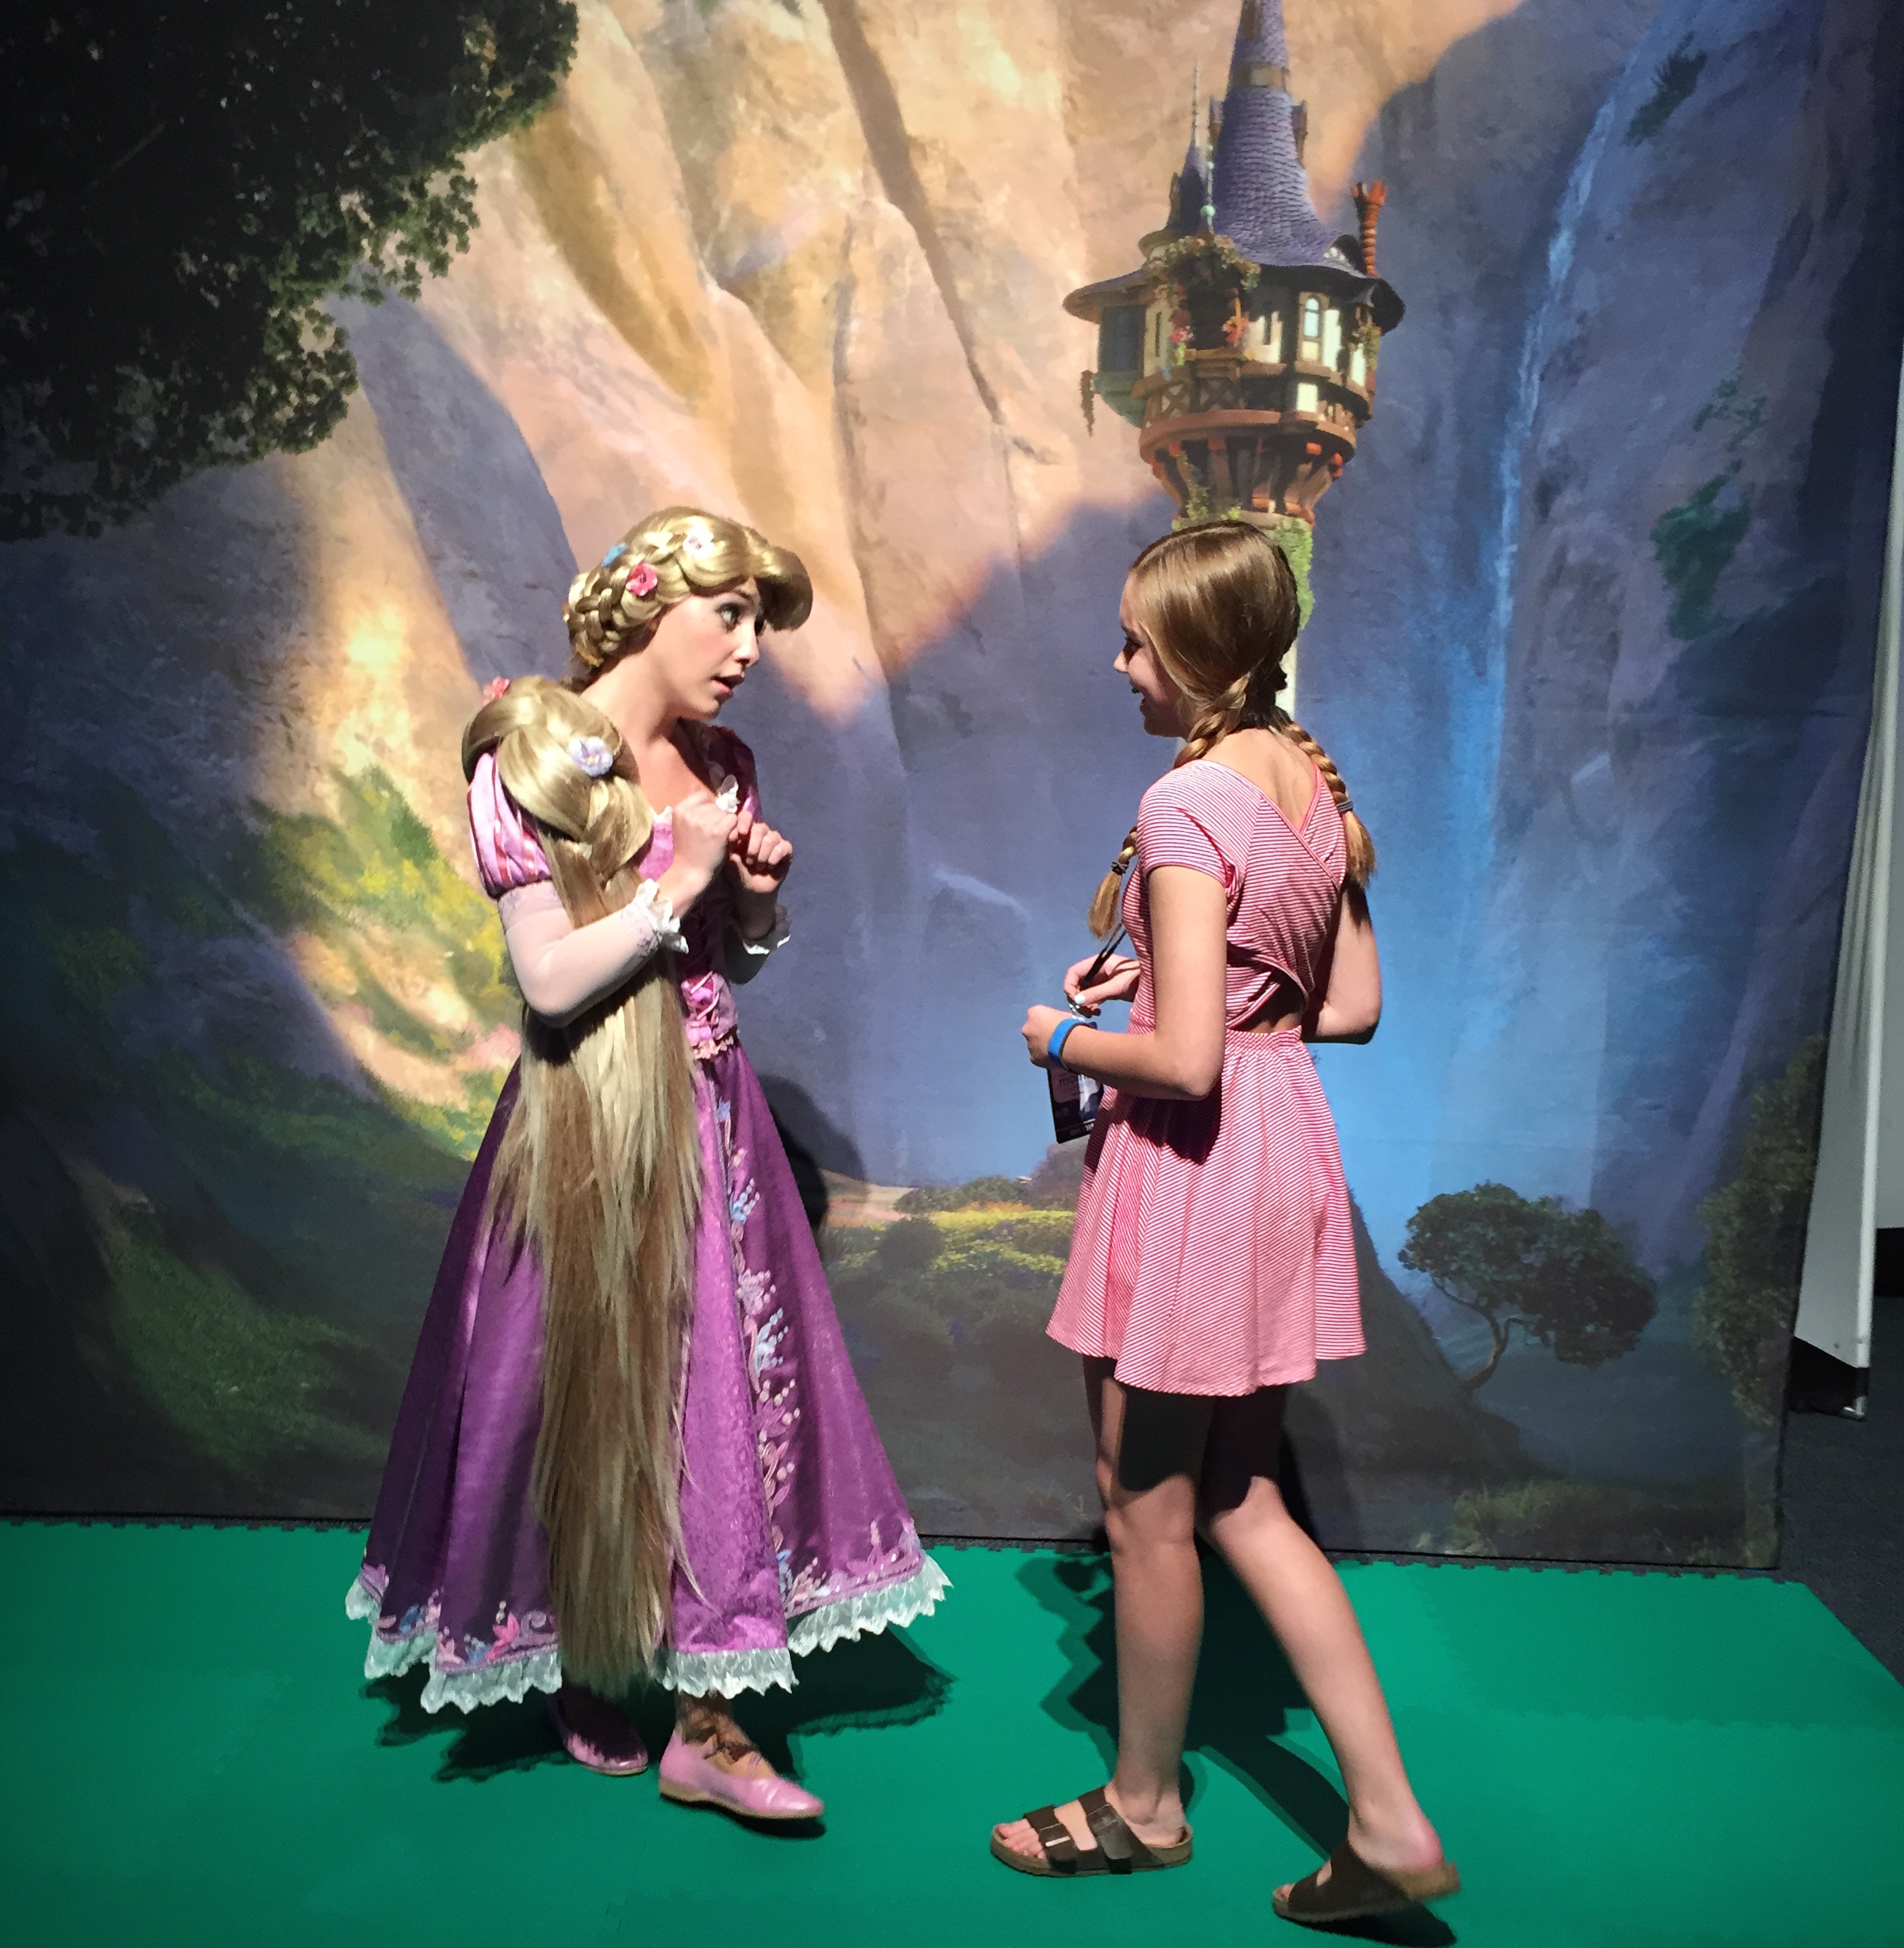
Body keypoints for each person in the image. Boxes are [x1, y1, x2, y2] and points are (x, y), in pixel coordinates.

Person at [347, 506, 947, 1822]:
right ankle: (583, 1649)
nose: (746, 650)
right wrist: (678, 883)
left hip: (715, 1120)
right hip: (586, 1127)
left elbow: (728, 967)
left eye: (757, 625)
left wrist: (757, 902)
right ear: (646, 605)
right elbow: (552, 983)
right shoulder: (531, 752)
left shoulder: (725, 764)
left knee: (714, 1398)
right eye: (726, 616)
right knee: (568, 1394)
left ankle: (708, 1725)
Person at [991, 522, 1456, 1924]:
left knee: (1146, 1504)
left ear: (1195, 654)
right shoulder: (1311, 789)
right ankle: (1388, 1819)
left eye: (1136, 642)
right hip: (1281, 1143)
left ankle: (1143, 1808)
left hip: (1194, 1162)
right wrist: (1170, 984)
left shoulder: (1189, 800)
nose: (1119, 665)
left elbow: (1185, 1063)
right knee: (1244, 1494)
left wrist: (1062, 1034)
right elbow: (1351, 1008)